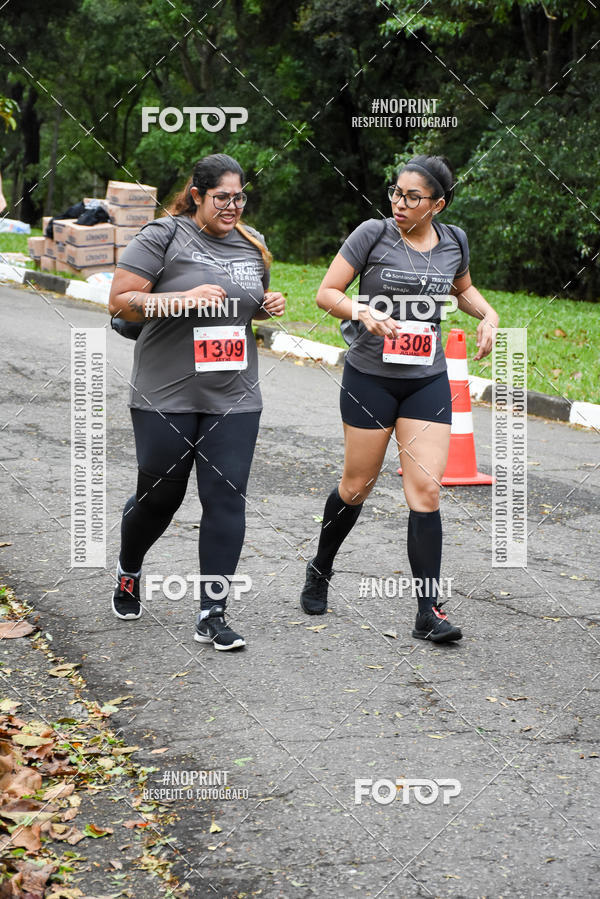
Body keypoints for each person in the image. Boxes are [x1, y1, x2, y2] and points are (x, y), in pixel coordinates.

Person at [300, 154, 498, 643]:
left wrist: (488, 315)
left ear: (438, 204)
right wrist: (361, 310)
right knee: (356, 486)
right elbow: (327, 293)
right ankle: (321, 566)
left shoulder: (454, 241)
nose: (399, 202)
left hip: (426, 379)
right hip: (371, 378)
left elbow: (463, 289)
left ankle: (428, 612)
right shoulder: (373, 234)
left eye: (413, 196)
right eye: (396, 192)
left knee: (426, 490)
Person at [108, 153, 285, 650]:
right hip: (166, 390)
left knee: (226, 496)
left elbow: (245, 305)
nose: (232, 207)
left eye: (239, 197)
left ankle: (213, 612)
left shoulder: (253, 243)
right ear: (197, 194)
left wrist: (267, 306)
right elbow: (120, 301)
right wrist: (179, 300)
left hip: (234, 392)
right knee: (159, 498)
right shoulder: (163, 236)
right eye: (222, 197)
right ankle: (129, 568)